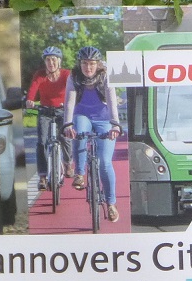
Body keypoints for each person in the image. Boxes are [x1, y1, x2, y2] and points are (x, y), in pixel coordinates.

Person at [63, 46, 122, 223]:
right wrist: (67, 124)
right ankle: (79, 173)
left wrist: (115, 124)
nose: (88, 67)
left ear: (98, 64)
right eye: (84, 63)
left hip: (104, 118)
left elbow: (111, 100)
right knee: (79, 132)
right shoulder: (74, 77)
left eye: (91, 64)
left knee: (105, 163)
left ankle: (111, 204)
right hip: (82, 115)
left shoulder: (105, 76)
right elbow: (69, 102)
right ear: (79, 64)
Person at [26, 46, 70, 193]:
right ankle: (43, 176)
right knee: (42, 141)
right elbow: (33, 87)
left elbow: (72, 89)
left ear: (59, 61)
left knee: (65, 137)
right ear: (45, 62)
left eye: (53, 59)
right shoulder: (40, 75)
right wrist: (30, 100)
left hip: (62, 111)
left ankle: (68, 163)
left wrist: (73, 102)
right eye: (48, 60)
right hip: (44, 111)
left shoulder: (66, 75)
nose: (51, 63)